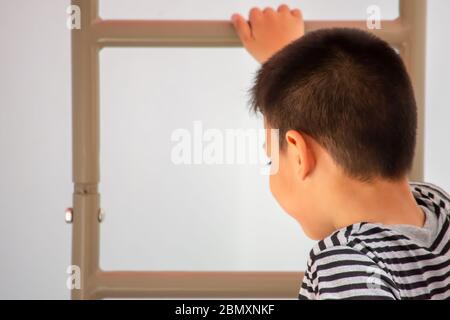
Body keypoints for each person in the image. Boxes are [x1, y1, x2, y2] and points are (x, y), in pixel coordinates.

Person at [231, 5, 450, 299]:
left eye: (271, 158)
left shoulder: (347, 267)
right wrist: (288, 65)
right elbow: (351, 106)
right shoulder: (438, 206)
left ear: (299, 156)